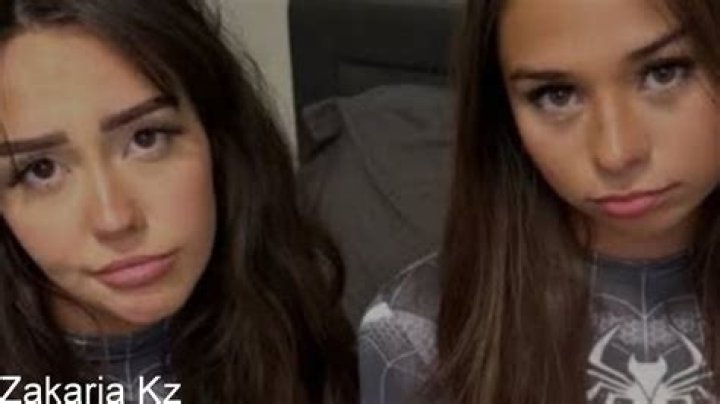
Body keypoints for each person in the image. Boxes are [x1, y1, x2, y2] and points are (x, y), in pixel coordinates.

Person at [359, 0, 720, 402]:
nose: (616, 154)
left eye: (664, 73)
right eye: (557, 95)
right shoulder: (416, 335)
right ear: (503, 112)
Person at [0, 1, 356, 403]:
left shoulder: (295, 324)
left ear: (218, 139)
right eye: (41, 169)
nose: (115, 219)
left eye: (146, 139)